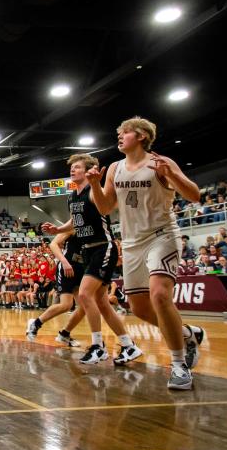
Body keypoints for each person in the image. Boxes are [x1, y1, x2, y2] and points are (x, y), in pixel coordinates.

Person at [86, 117, 205, 390]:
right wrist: (94, 184)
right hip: (131, 242)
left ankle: (178, 365)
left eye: (125, 132)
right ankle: (188, 334)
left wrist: (172, 175)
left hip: (162, 235)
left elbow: (195, 195)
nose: (120, 137)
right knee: (139, 308)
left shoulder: (160, 162)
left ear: (141, 136)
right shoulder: (115, 168)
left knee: (160, 295)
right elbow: (105, 208)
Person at [39, 154, 143, 365]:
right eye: (72, 168)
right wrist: (58, 229)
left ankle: (98, 346)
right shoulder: (72, 196)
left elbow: (104, 204)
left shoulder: (94, 191)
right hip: (88, 251)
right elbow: (76, 222)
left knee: (85, 295)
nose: (72, 170)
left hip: (103, 247)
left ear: (88, 171)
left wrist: (96, 183)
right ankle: (129, 345)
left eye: (77, 167)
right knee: (102, 303)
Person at [27, 231, 83, 347]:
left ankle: (64, 334)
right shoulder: (74, 225)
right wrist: (64, 261)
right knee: (66, 305)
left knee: (85, 306)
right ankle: (35, 323)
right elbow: (53, 244)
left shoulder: (94, 228)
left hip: (81, 268)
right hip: (67, 266)